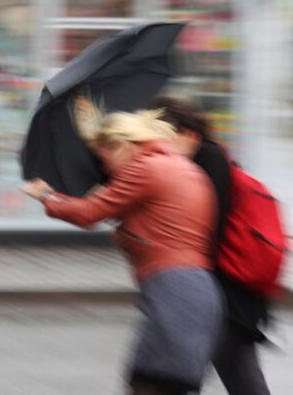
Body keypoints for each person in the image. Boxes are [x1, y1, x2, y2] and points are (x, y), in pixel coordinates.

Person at [21, 109, 225, 395]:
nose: (106, 170)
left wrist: (45, 194)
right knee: (162, 385)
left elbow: (89, 212)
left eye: (104, 159)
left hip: (174, 288)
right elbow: (168, 228)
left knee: (148, 385)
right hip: (197, 290)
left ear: (122, 146)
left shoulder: (147, 168)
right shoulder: (181, 167)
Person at [150, 97, 271, 395]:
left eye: (163, 136)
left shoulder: (208, 158)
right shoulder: (193, 161)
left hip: (226, 290)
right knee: (182, 374)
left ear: (188, 133)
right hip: (214, 287)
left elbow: (206, 227)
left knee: (234, 375)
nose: (157, 145)